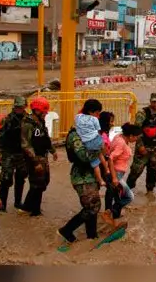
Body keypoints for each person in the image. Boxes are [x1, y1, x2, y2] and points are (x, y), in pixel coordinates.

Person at [58, 99, 107, 244]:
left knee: (92, 207)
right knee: (93, 207)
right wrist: (99, 149)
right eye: (97, 114)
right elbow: (84, 157)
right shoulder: (75, 135)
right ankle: (67, 230)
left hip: (90, 175)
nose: (98, 117)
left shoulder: (90, 131)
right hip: (81, 176)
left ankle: (92, 236)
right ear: (90, 113)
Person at [20, 96, 57, 217]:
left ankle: (27, 206)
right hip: (34, 158)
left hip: (43, 157)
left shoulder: (40, 122)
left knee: (44, 182)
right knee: (37, 183)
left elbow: (45, 138)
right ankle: (34, 211)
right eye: (44, 111)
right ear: (37, 110)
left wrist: (53, 151)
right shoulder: (28, 124)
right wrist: (35, 162)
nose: (46, 113)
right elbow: (26, 144)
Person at [0, 96, 29, 212]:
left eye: (21, 107)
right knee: (6, 178)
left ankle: (18, 202)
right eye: (17, 107)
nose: (19, 109)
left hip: (21, 153)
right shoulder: (7, 120)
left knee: (21, 177)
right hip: (8, 152)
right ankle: (2, 204)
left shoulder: (28, 119)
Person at [105, 123, 138, 223]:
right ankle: (110, 212)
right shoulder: (122, 143)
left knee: (116, 195)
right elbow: (111, 158)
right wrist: (115, 178)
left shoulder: (118, 137)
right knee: (129, 197)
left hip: (115, 173)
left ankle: (113, 216)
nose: (136, 139)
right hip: (117, 174)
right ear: (131, 135)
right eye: (136, 137)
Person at [74, 107, 109, 190]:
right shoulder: (100, 129)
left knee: (95, 164)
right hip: (97, 141)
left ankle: (100, 180)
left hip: (89, 144)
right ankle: (106, 170)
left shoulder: (79, 122)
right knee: (100, 156)